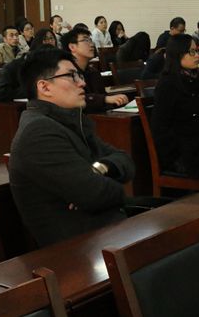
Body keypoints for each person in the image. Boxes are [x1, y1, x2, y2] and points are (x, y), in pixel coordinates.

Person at [9, 47, 135, 246]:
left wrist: (99, 169)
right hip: (79, 245)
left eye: (79, 75)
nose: (82, 83)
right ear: (45, 87)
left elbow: (125, 160)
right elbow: (94, 194)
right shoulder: (39, 132)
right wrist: (112, 185)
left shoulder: (70, 119)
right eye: (71, 76)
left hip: (106, 228)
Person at [152, 34, 199, 177]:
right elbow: (160, 128)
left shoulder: (193, 80)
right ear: (177, 54)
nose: (197, 55)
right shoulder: (167, 84)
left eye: (197, 51)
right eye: (191, 52)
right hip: (182, 155)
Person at [62, 29, 128, 112]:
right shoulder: (66, 73)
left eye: (90, 40)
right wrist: (105, 99)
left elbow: (102, 95)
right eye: (86, 40)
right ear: (72, 47)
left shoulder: (93, 71)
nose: (92, 44)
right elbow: (73, 99)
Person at [0, 28, 57, 102]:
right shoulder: (17, 66)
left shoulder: (58, 62)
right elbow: (1, 94)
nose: (49, 42)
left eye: (51, 38)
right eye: (45, 39)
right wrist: (34, 91)